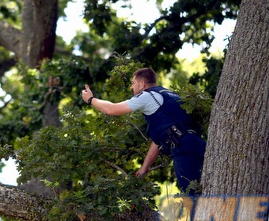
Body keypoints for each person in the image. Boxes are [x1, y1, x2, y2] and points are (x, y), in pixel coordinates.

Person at [81, 67, 206, 195]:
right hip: (197, 143)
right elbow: (160, 140)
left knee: (192, 196)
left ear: (142, 84)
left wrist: (90, 100)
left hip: (183, 148)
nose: (131, 87)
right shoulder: (168, 94)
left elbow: (112, 109)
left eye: (133, 83)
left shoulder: (147, 96)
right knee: (207, 189)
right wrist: (144, 168)